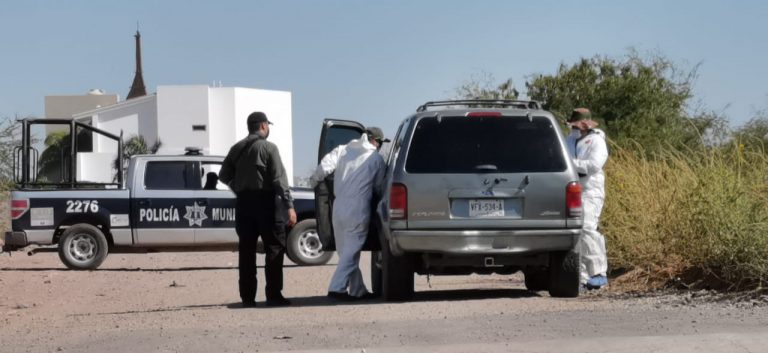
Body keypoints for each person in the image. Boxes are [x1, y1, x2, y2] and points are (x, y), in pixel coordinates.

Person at [219, 111, 297, 307]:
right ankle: (273, 295)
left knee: (246, 251)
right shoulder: (269, 148)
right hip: (266, 203)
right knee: (274, 248)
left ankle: (247, 298)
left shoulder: (236, 148)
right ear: (263, 126)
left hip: (244, 204)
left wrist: (237, 187)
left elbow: (223, 175)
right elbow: (279, 180)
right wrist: (289, 206)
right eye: (267, 125)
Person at [310, 127, 388, 300]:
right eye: (380, 143)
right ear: (374, 140)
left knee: (345, 251)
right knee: (351, 253)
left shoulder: (342, 150)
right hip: (358, 208)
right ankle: (336, 288)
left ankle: (358, 290)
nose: (380, 146)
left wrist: (314, 182)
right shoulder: (376, 159)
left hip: (338, 207)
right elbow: (379, 187)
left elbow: (323, 167)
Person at [566, 108, 609, 290]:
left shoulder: (597, 141)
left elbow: (593, 165)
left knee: (588, 228)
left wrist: (569, 164)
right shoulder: (569, 140)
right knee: (575, 233)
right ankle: (583, 277)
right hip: (572, 189)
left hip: (591, 190)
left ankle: (598, 272)